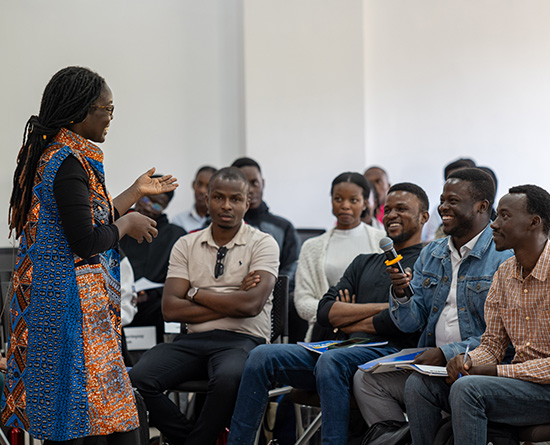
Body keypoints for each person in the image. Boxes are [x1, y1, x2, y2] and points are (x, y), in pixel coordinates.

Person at [1, 66, 178, 444]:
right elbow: (85, 240)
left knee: (88, 417)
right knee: (90, 419)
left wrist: (133, 192)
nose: (111, 117)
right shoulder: (67, 163)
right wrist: (129, 223)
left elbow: (87, 221)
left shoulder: (64, 156)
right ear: (82, 111)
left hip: (68, 303)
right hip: (71, 308)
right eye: (107, 108)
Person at [227, 183, 430, 445]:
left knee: (331, 361)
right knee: (260, 356)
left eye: (401, 209)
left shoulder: (429, 260)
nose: (391, 215)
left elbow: (404, 322)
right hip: (344, 345)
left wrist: (351, 315)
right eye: (387, 209)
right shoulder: (363, 261)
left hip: (391, 353)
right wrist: (385, 307)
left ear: (424, 216)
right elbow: (324, 312)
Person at [352, 168, 513, 435]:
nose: (443, 208)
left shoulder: (503, 256)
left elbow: (501, 337)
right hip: (431, 365)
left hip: (480, 366)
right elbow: (409, 322)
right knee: (367, 380)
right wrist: (401, 293)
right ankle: (404, 438)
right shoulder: (433, 252)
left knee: (418, 385)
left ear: (481, 206)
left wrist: (446, 354)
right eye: (442, 200)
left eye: (452, 201)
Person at [129, 167, 279, 445]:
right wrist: (232, 297)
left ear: (247, 203)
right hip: (193, 340)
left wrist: (195, 293)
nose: (226, 205)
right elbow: (171, 309)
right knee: (137, 378)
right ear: (206, 200)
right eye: (218, 197)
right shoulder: (185, 244)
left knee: (228, 378)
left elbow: (251, 305)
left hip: (243, 341)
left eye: (235, 199)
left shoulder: (263, 243)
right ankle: (194, 441)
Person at [414, 185, 550, 445]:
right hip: (520, 385)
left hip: (543, 389)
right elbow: (492, 344)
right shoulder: (505, 272)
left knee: (469, 389)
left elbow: (498, 366)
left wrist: (495, 372)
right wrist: (466, 360)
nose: (494, 225)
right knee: (421, 384)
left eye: (504, 217)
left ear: (534, 222)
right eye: (496, 216)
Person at [294, 172, 386, 342]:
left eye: (353, 200)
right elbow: (302, 302)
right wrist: (335, 313)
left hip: (371, 332)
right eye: (338, 199)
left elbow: (389, 297)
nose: (345, 206)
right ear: (331, 201)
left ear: (365, 203)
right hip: (325, 333)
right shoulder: (312, 247)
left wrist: (352, 312)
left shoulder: (382, 241)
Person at [231, 157, 304, 340]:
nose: (251, 190)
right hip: (232, 297)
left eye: (254, 183)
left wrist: (267, 288)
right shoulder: (220, 227)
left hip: (277, 298)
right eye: (244, 184)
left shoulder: (283, 226)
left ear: (263, 183)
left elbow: (293, 267)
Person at [120, 179, 186, 344]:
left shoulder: (175, 235)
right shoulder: (119, 224)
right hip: (119, 298)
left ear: (165, 208)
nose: (149, 207)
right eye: (146, 199)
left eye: (157, 205)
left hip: (154, 305)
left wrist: (150, 294)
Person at [422, 157, 476, 243]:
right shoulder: (440, 210)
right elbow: (431, 240)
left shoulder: (484, 209)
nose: (456, 185)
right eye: (452, 180)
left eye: (462, 180)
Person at [172, 165, 216, 233]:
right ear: (193, 184)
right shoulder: (178, 220)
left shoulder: (221, 220)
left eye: (208, 186)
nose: (202, 190)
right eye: (199, 184)